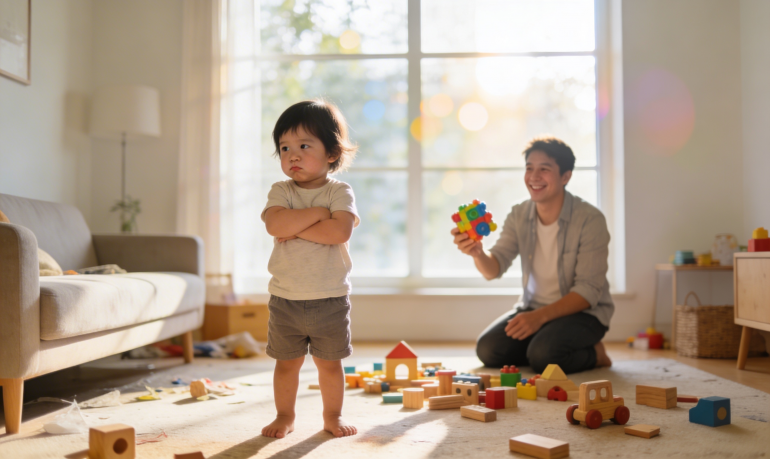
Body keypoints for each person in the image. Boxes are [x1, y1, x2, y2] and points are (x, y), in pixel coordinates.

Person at [452, 137, 614, 374]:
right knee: (488, 349)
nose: (534, 177)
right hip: (533, 308)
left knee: (543, 357)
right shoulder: (519, 214)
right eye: (529, 169)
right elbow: (493, 269)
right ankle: (543, 345)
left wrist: (540, 318)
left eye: (544, 169)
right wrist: (478, 253)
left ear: (565, 176)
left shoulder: (591, 220)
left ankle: (596, 354)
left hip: (584, 314)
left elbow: (587, 292)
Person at [260, 100, 359, 438]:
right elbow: (274, 225)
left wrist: (296, 224)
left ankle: (333, 416)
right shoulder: (280, 190)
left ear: (331, 153)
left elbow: (338, 232)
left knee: (329, 365)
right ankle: (284, 415)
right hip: (285, 298)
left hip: (329, 298)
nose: (293, 155)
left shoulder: (339, 191)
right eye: (285, 148)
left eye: (304, 146)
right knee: (286, 364)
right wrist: (318, 214)